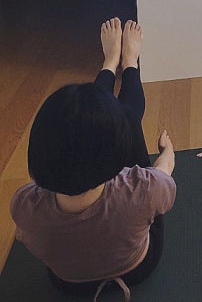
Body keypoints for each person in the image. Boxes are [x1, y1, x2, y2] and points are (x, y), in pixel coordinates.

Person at [10, 18, 176, 300]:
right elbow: (165, 172)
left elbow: (25, 236)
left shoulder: (25, 204)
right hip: (137, 268)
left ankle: (110, 62)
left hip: (69, 283)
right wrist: (167, 151)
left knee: (101, 123)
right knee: (129, 122)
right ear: (117, 158)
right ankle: (129, 63)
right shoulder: (141, 189)